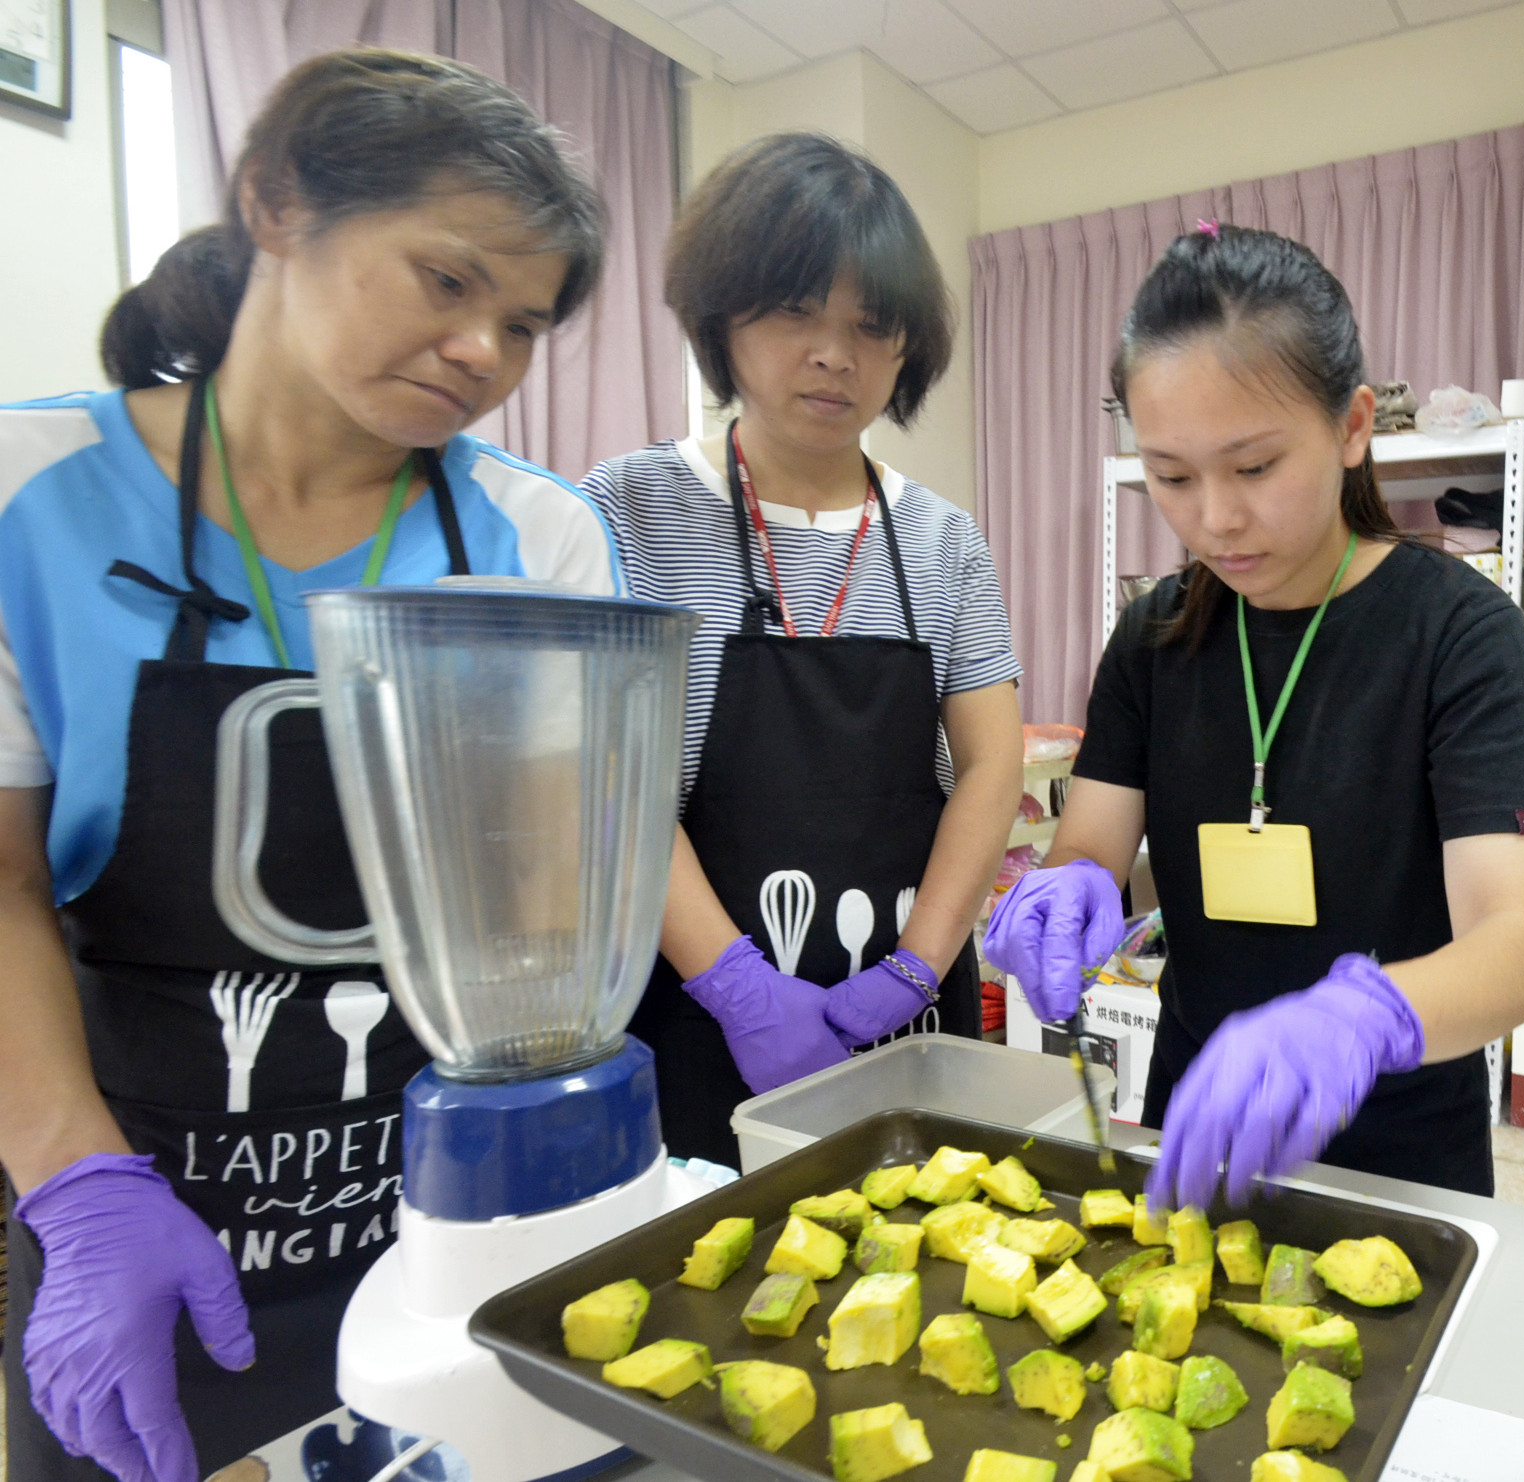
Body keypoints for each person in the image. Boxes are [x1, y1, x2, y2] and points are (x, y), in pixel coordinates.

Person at [0, 49, 619, 1482]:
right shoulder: (32, 500)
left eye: (523, 324)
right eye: (446, 281)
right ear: (276, 203)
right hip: (134, 1203)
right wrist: (76, 1185)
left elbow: (536, 925)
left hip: (445, 1232)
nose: (485, 353)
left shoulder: (544, 540)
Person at [988, 224, 1524, 1211]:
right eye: (1170, 475)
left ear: (1351, 426)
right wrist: (1067, 886)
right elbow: (1093, 844)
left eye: (1253, 467)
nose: (1214, 518)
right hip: (1199, 1126)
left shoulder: (1458, 633)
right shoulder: (1154, 639)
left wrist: (1359, 1018)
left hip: (1404, 1156)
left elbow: (1515, 950)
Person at [583, 133, 1022, 1166]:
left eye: (873, 327)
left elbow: (993, 765)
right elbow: (611, 786)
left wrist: (918, 968)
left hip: (906, 1012)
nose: (835, 355)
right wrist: (734, 982)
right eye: (794, 312)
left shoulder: (943, 539)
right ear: (719, 318)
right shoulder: (625, 513)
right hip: (700, 1012)